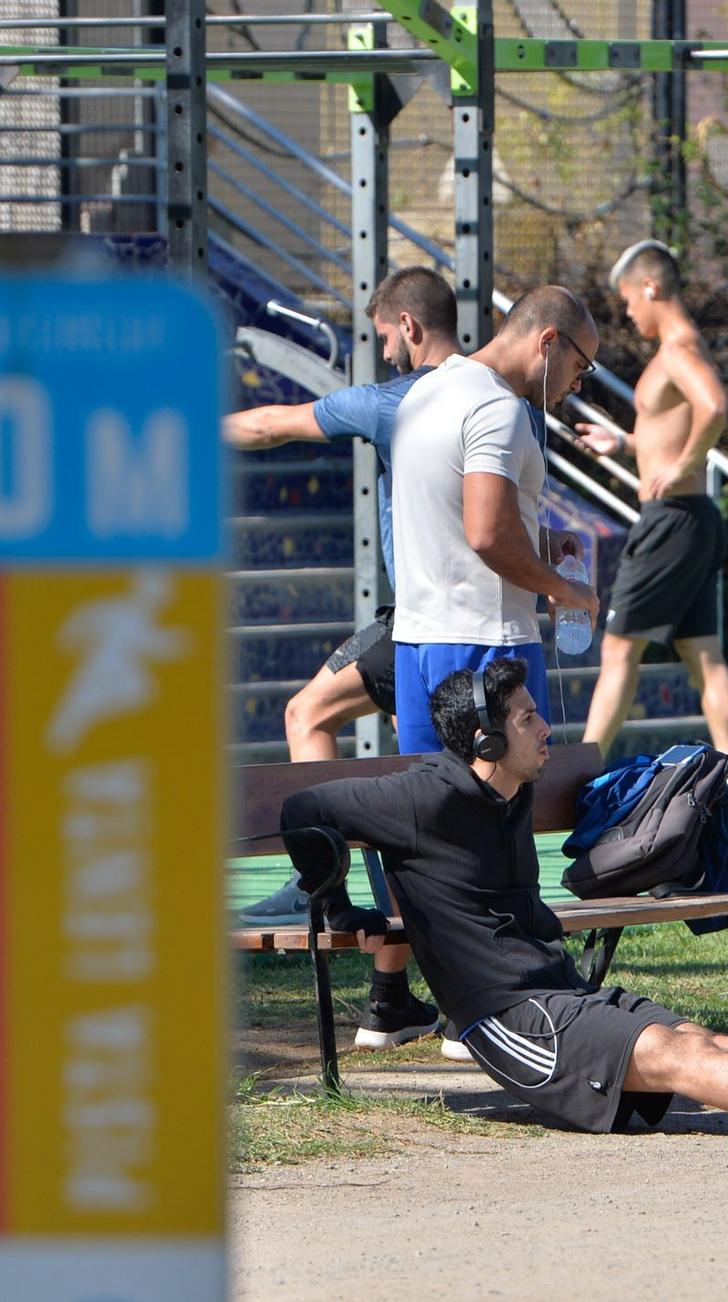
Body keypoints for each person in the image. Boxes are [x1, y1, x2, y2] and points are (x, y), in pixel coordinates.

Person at [280, 658, 728, 1143]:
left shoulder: (508, 790)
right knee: (674, 1057)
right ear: (488, 740)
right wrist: (339, 907)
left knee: (699, 1039)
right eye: (527, 720)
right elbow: (303, 805)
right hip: (510, 1020)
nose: (544, 727)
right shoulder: (424, 794)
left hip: (556, 989)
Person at [224, 266, 462, 1050]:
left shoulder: (397, 402)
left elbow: (268, 426)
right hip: (466, 626)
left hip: (421, 624)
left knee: (309, 716)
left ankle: (322, 886)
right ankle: (393, 997)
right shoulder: (489, 395)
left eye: (384, 333)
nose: (381, 348)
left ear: (409, 327)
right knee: (412, 800)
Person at [387, 285, 600, 756]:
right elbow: (487, 535)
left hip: (416, 645)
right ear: (548, 342)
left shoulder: (423, 394)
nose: (578, 383)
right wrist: (567, 591)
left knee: (429, 814)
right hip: (487, 644)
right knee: (504, 817)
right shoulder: (497, 408)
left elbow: (450, 515)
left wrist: (539, 540)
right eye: (580, 365)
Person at [575, 241, 728, 800]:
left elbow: (714, 406)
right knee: (703, 654)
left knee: (618, 649)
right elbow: (670, 428)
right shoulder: (674, 351)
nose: (627, 313)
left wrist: (685, 465)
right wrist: (624, 442)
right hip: (693, 518)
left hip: (672, 521)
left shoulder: (677, 348)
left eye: (628, 299)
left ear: (650, 288)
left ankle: (577, 776)